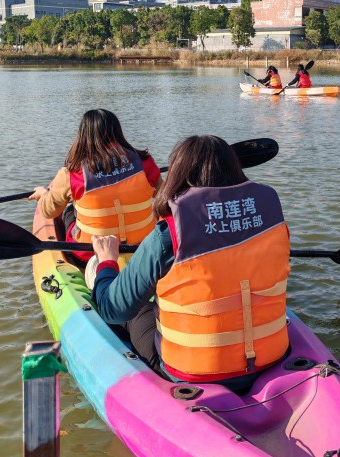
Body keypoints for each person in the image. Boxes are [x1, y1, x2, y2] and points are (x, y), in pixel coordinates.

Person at [91, 134, 290, 391]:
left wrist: (107, 262)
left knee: (138, 306)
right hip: (272, 357)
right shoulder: (274, 220)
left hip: (194, 373)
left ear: (177, 174)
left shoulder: (168, 235)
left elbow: (113, 309)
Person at [29, 108, 161, 261]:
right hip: (143, 248)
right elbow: (165, 196)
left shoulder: (71, 173)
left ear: (83, 135)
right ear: (118, 132)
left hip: (91, 255)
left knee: (69, 210)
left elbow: (48, 212)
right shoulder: (145, 162)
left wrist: (43, 194)